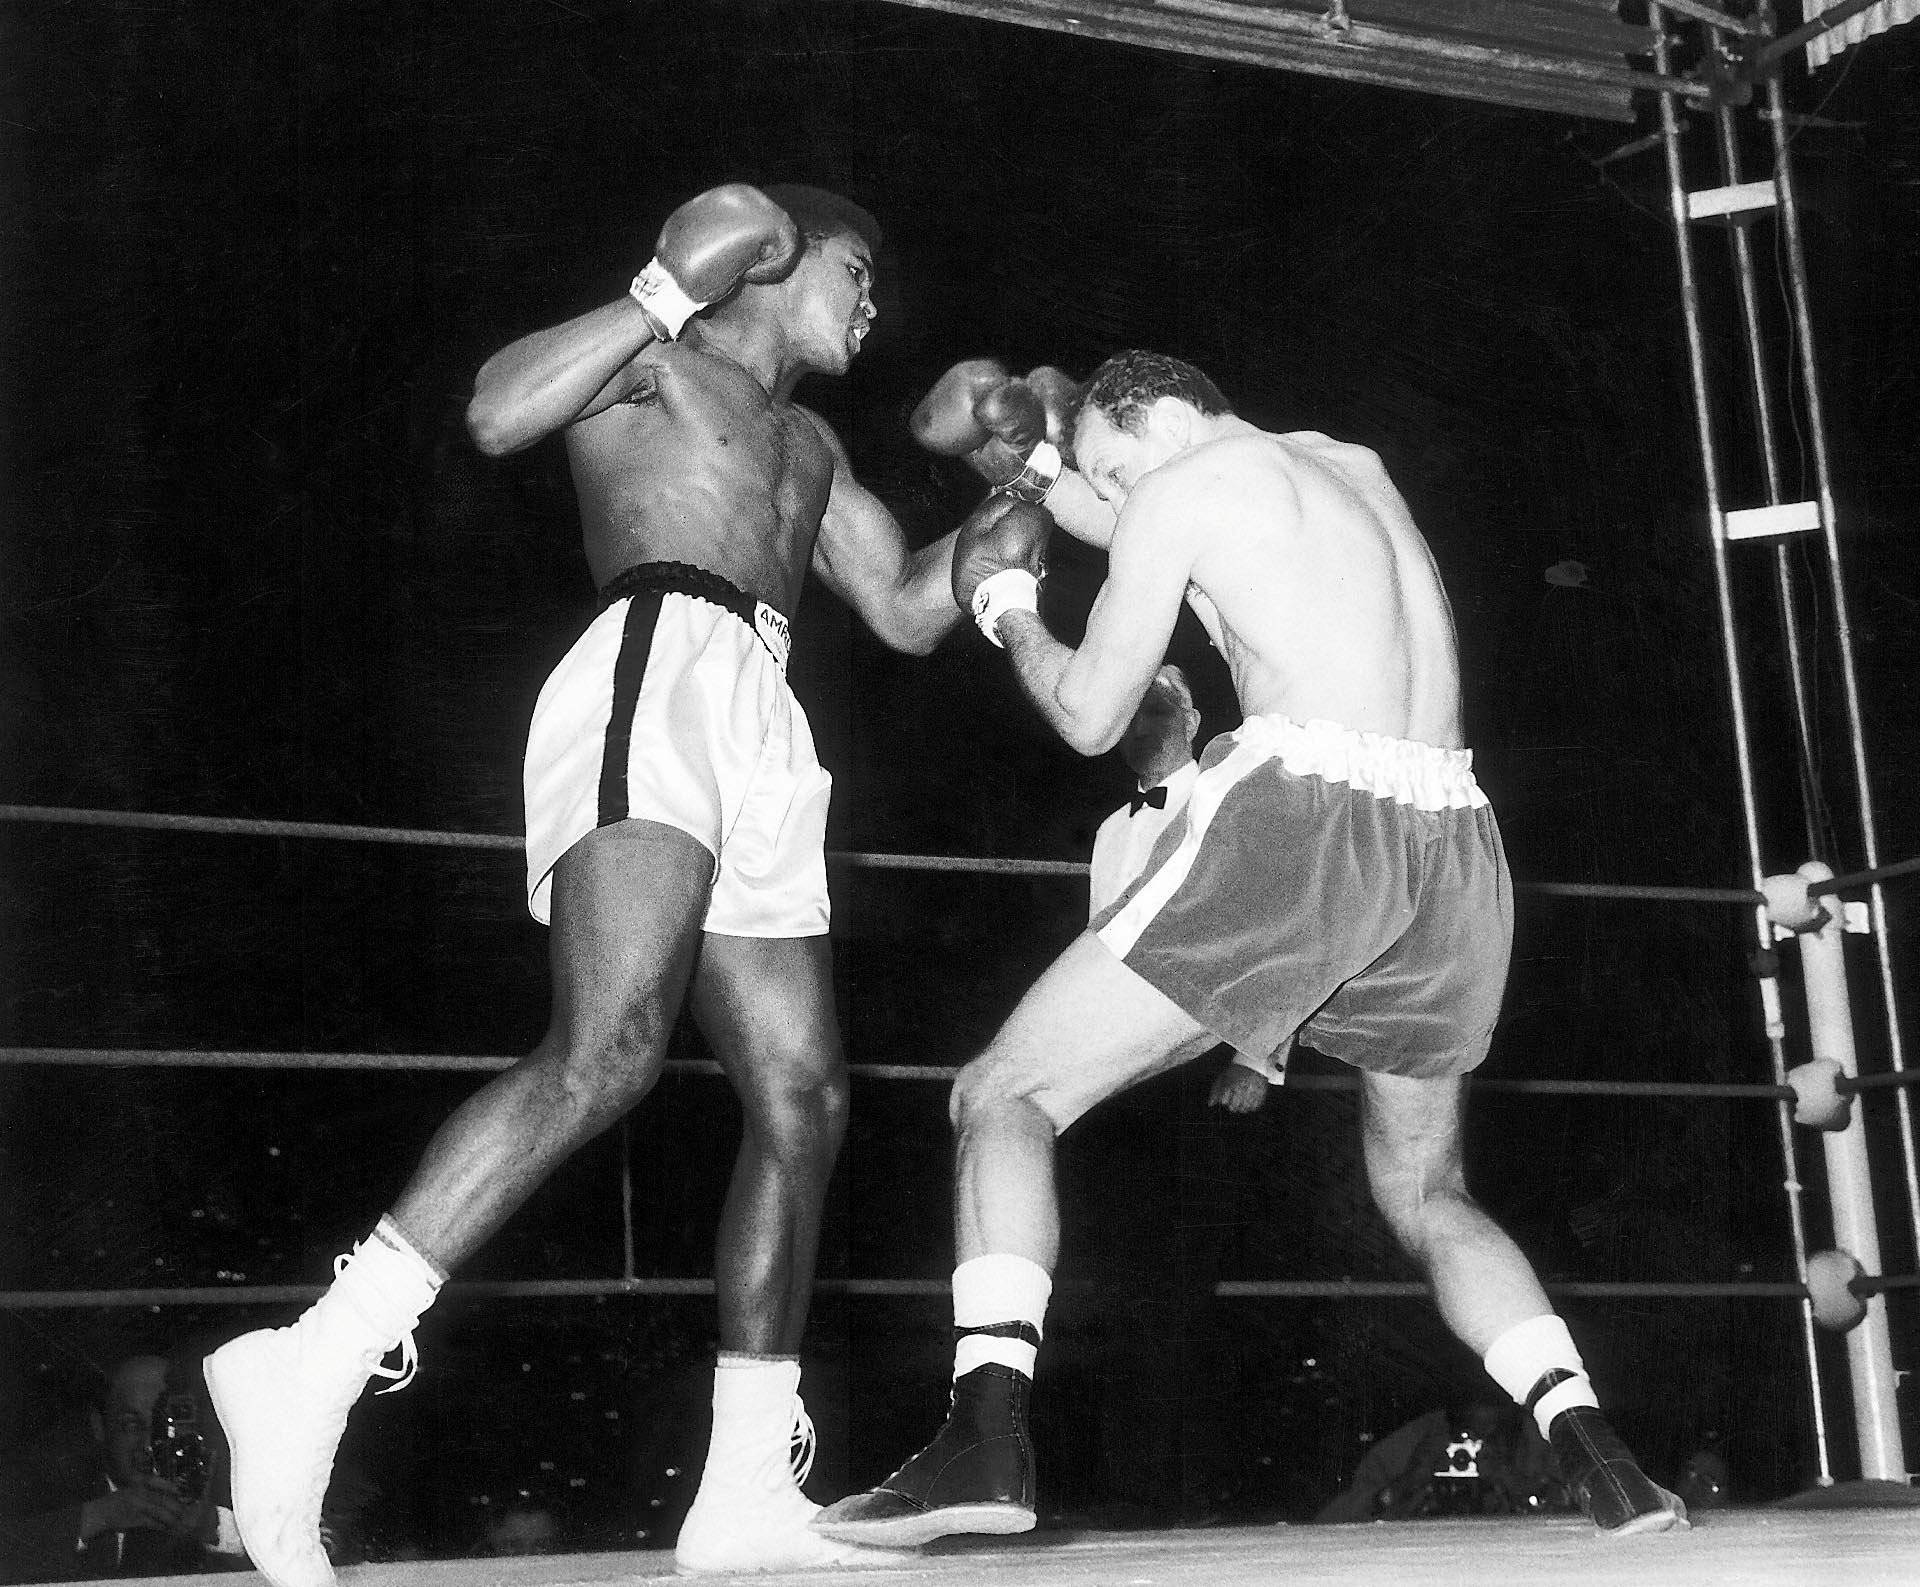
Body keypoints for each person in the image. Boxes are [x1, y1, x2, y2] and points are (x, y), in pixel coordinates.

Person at [202, 181, 978, 1585]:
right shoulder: (659, 360)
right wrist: (662, 283)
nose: (877, 301)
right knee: (610, 1044)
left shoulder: (813, 440)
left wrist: (1024, 501)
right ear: (774, 253)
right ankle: (308, 1358)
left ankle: (743, 1483)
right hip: (656, 657)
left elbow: (911, 610)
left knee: (803, 1094)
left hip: (765, 710)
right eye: (858, 269)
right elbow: (500, 409)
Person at [815, 349, 1688, 1546]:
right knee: (1428, 1191)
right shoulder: (1346, 464)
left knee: (1002, 1094)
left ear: (1161, 418)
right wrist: (1016, 459)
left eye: (1116, 466)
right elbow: (1114, 505)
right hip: (1452, 842)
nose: (1116, 501)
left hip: (1308, 826)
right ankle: (1602, 1459)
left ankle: (982, 1440)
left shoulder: (1183, 487)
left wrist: (1007, 611)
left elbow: (1088, 718)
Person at [1088, 663, 1284, 1113]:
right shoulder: (1110, 830)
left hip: (1209, 1053)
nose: (1137, 727)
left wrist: (1254, 1063)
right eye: (1129, 715)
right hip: (1117, 1058)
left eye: (1154, 712)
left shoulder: (1228, 804)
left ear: (1191, 723)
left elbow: (1277, 933)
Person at [0, 1354, 241, 1582]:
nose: (147, 1445)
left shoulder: (226, 1477)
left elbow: (272, 1553)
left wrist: (212, 1526)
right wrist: (100, 1516)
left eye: (162, 1425)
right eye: (131, 1425)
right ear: (99, 1426)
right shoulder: (45, 1482)